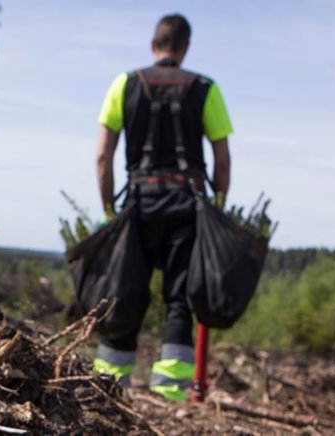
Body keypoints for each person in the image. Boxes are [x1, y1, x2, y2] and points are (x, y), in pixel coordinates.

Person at [92, 13, 232, 401]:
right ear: (185, 48)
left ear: (154, 45)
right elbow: (222, 159)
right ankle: (170, 396)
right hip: (187, 209)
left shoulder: (125, 84)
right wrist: (216, 208)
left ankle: (108, 388)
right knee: (178, 299)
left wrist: (109, 213)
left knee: (122, 292)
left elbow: (103, 156)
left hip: (137, 205)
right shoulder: (206, 89)